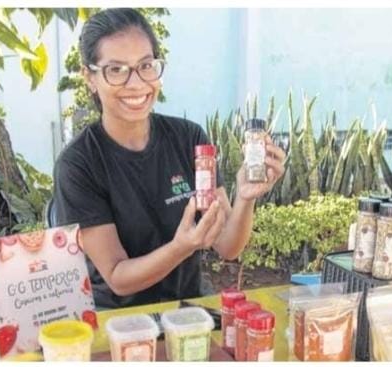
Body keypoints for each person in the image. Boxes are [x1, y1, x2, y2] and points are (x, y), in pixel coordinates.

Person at [53, 8, 285, 309]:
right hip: (119, 320)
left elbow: (228, 246)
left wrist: (245, 197)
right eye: (116, 70)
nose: (136, 84)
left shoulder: (189, 139)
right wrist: (181, 247)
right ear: (90, 77)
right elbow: (117, 277)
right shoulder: (79, 164)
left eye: (146, 65)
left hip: (187, 311)